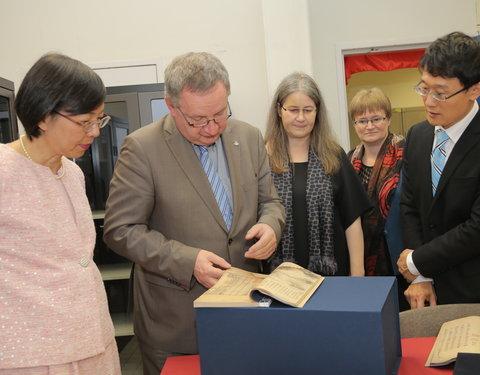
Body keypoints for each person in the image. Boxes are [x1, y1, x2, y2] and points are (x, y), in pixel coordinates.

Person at [103, 52, 285, 374]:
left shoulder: (249, 136)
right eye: (198, 120)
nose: (211, 128)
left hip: (246, 310)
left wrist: (271, 226)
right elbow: (121, 230)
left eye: (220, 114)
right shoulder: (142, 148)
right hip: (177, 321)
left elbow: (270, 202)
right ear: (171, 106)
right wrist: (187, 261)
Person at [0, 53, 120, 374]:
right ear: (42, 116)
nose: (95, 132)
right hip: (32, 352)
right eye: (85, 122)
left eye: (99, 119)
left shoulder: (72, 171)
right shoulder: (3, 170)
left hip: (93, 338)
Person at [397, 31, 480, 309]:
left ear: (474, 90)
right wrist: (421, 275)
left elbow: (476, 228)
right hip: (424, 291)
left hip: (472, 292)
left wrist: (416, 262)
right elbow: (409, 206)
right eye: (424, 88)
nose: (429, 101)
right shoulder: (418, 136)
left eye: (441, 93)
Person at [264, 72, 370, 276]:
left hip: (331, 277)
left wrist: (358, 275)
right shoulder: (262, 157)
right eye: (293, 110)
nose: (301, 118)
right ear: (279, 110)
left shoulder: (334, 155)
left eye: (308, 110)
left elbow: (352, 221)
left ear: (317, 112)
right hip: (277, 279)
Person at [348, 88, 405, 276]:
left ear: (388, 119)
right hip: (358, 257)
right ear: (354, 124)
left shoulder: (407, 154)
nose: (369, 126)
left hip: (399, 256)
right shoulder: (347, 161)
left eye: (376, 119)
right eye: (362, 121)